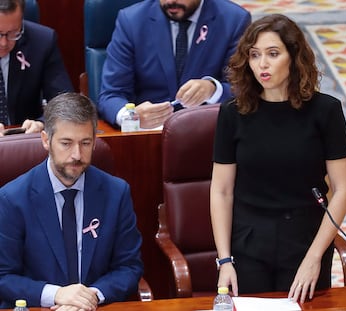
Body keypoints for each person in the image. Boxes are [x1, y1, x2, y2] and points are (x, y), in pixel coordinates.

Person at [210, 14, 346, 304]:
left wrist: (315, 257)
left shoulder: (325, 112)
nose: (262, 64)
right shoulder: (232, 114)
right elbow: (221, 191)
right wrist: (225, 260)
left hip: (305, 241)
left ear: (294, 57)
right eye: (254, 55)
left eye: (273, 54)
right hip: (248, 242)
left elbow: (343, 189)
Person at [0, 92, 143, 309]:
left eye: (85, 143)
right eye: (66, 143)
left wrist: (90, 297)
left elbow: (129, 267)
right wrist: (57, 294)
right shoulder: (12, 198)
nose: (77, 154)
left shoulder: (116, 193)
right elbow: (4, 277)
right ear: (46, 140)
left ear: (95, 141)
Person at [98, 0, 251, 129]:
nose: (171, 1)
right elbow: (111, 95)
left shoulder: (234, 20)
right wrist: (131, 117)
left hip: (209, 135)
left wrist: (213, 89)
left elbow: (244, 89)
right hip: (147, 139)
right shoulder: (132, 21)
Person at [0, 0, 73, 136]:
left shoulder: (42, 41)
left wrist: (43, 123)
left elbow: (65, 102)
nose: (4, 43)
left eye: (13, 33)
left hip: (26, 140)